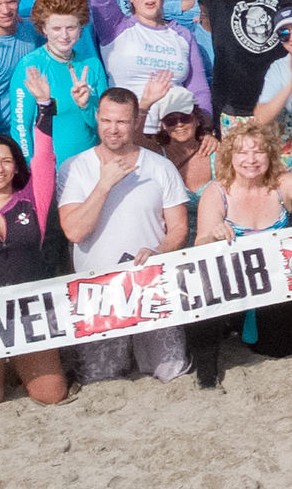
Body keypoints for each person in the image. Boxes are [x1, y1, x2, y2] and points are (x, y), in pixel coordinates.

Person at [56, 88, 193, 384]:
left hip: (152, 284)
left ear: (134, 122)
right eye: (106, 121)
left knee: (172, 371)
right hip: (98, 290)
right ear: (96, 118)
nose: (113, 129)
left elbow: (179, 228)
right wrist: (104, 184)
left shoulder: (160, 167)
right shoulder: (74, 168)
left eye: (121, 122)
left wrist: (159, 250)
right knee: (100, 378)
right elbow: (74, 230)